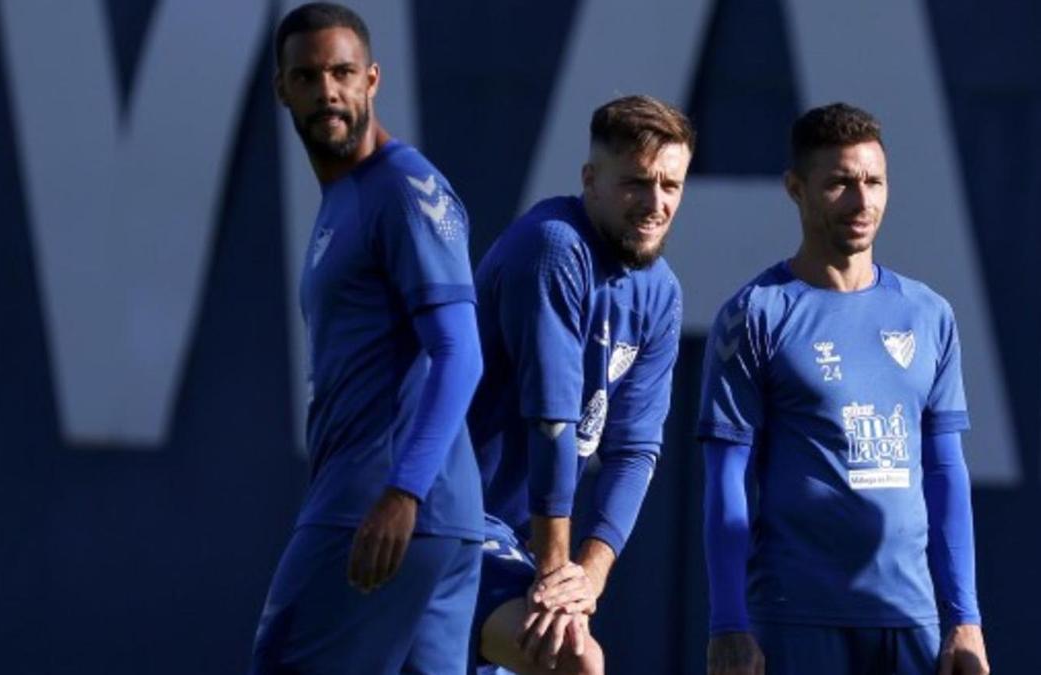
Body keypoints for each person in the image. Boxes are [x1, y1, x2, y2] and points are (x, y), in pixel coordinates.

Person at [699, 103, 991, 675]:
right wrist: (728, 622)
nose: (862, 203)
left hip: (910, 620)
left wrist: (965, 618)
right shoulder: (754, 315)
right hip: (796, 619)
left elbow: (945, 474)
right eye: (839, 183)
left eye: (874, 182)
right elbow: (725, 478)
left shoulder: (928, 315)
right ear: (795, 188)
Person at [250, 4, 484, 673]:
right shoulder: (348, 197)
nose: (328, 89)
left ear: (373, 80)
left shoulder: (402, 190)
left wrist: (402, 491)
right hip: (423, 513)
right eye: (309, 75)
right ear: (282, 89)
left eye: (343, 72)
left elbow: (459, 351)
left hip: (382, 503)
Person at [466, 95, 694, 674]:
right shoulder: (553, 248)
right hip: (448, 521)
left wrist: (587, 577)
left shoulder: (660, 291)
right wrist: (552, 574)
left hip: (517, 542)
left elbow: (635, 450)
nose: (656, 203)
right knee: (575, 658)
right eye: (637, 184)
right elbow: (552, 422)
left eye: (671, 185)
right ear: (590, 180)